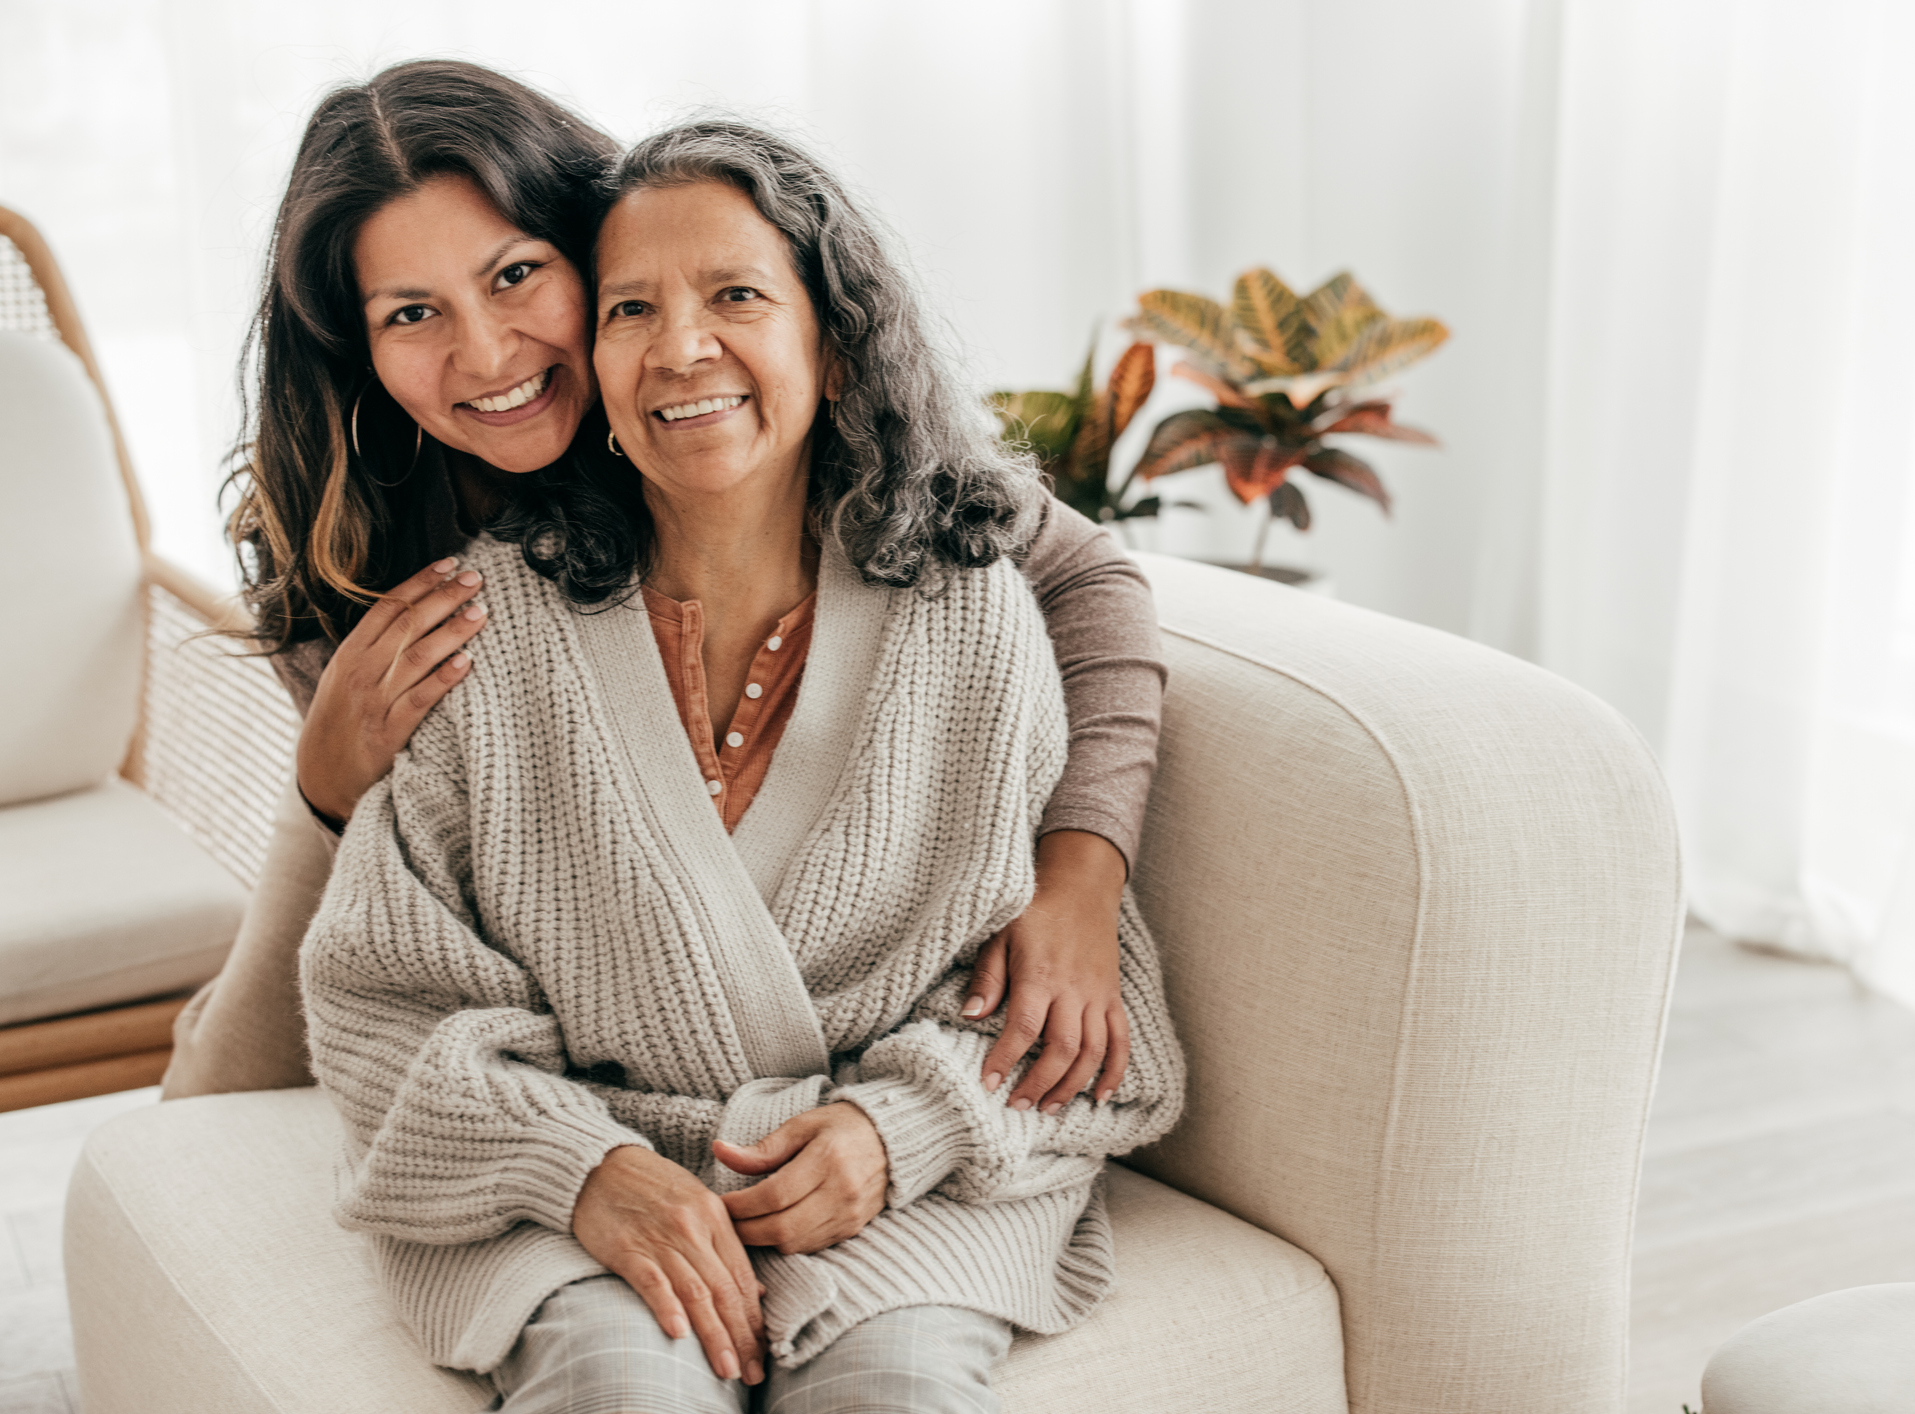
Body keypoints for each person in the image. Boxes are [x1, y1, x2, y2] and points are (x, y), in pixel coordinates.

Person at [299, 117, 1184, 1413]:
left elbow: (1082, 1029)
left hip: (897, 1182)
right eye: (631, 308)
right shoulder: (476, 631)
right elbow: (379, 1000)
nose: (681, 347)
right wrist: (577, 1168)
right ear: (594, 363)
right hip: (580, 1184)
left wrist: (904, 1128)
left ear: (836, 344)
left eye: (737, 296)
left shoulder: (969, 612)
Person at [163, 60, 1166, 1115]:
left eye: (515, 275)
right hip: (375, 854)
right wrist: (324, 789)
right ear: (358, 349)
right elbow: (393, 937)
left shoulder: (724, 414)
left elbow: (1087, 579)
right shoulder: (350, 533)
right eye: (412, 313)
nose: (488, 350)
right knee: (206, 1105)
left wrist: (1079, 876)